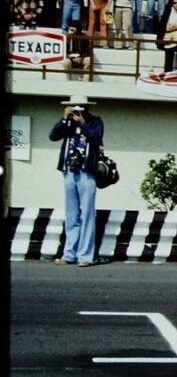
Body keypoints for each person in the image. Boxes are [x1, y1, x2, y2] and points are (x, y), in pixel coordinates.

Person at [49, 96, 105, 268]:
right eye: (74, 109)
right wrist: (65, 119)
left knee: (87, 214)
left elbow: (96, 139)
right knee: (71, 214)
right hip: (69, 172)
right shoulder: (68, 124)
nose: (77, 112)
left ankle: (85, 255)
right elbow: (53, 136)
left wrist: (83, 124)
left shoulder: (96, 122)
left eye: (81, 109)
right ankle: (69, 254)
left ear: (87, 109)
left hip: (86, 173)